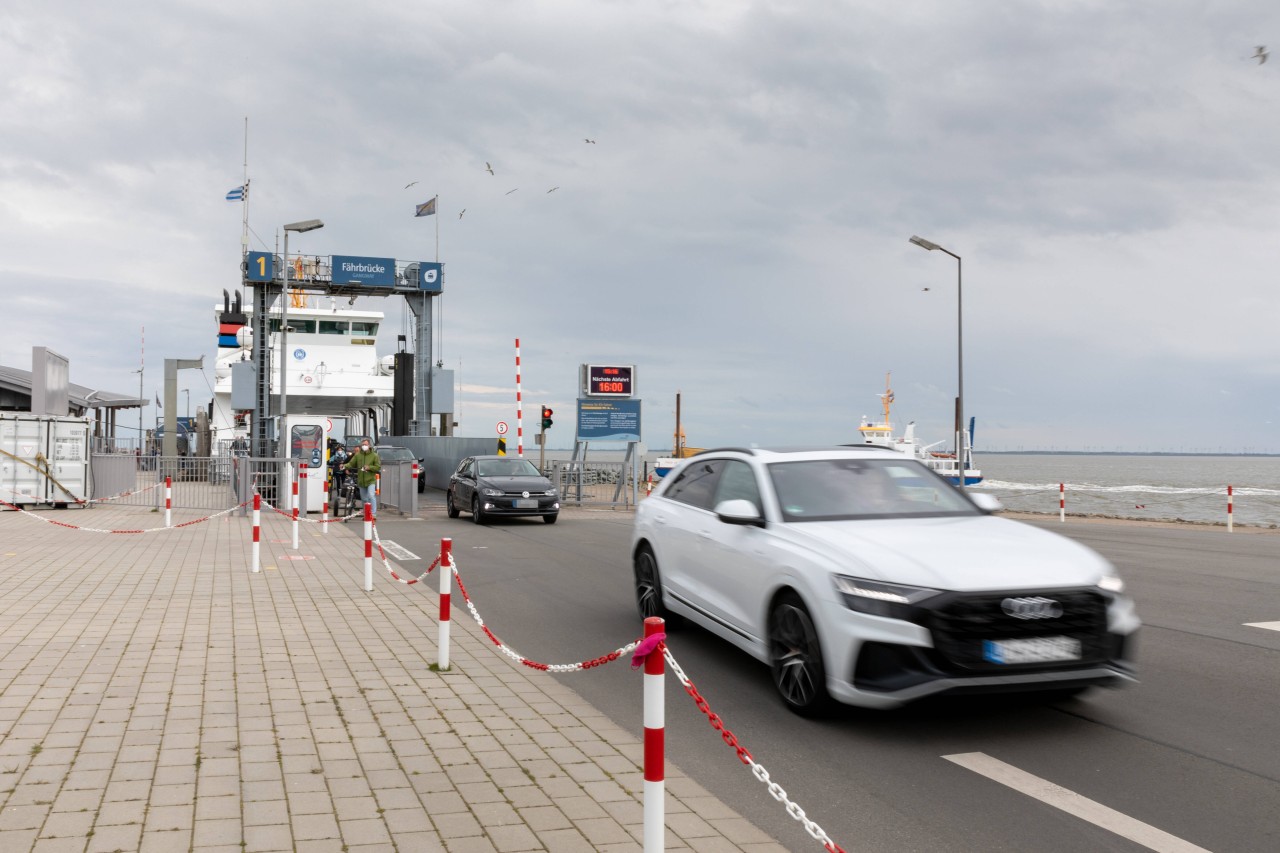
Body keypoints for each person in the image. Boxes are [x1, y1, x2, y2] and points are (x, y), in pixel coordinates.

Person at [344, 439, 382, 519]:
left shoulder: (374, 455)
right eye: (363, 445)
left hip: (370, 480)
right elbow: (351, 463)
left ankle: (373, 514)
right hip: (361, 480)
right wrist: (344, 466)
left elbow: (378, 467)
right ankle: (366, 514)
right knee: (364, 499)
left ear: (369, 445)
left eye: (366, 444)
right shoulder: (358, 455)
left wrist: (369, 467)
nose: (364, 446)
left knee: (371, 496)